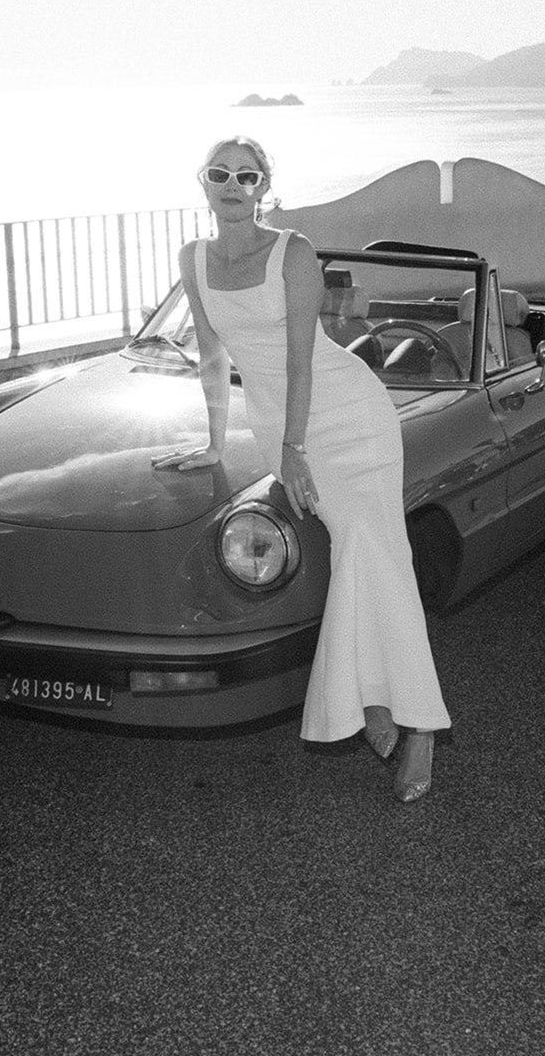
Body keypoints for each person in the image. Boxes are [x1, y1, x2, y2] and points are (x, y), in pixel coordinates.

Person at [152, 137, 451, 801]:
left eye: (247, 175)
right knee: (354, 553)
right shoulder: (192, 259)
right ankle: (374, 703)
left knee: (371, 549)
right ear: (202, 182)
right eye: (220, 173)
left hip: (345, 416)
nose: (233, 184)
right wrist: (211, 440)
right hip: (278, 424)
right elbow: (208, 357)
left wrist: (291, 448)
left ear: (264, 187)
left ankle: (419, 723)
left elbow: (300, 360)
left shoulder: (292, 251)